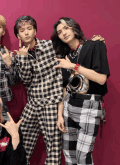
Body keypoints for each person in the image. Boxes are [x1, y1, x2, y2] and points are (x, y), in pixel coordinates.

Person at [51, 17, 110, 165]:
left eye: (66, 28)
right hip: (68, 107)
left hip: (89, 107)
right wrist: (60, 115)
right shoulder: (65, 57)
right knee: (69, 156)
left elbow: (101, 79)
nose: (63, 33)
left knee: (83, 157)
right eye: (59, 32)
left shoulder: (94, 45)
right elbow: (64, 89)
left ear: (73, 27)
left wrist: (73, 67)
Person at [14, 15, 64, 165]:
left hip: (51, 102)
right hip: (33, 103)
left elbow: (71, 47)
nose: (26, 33)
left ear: (35, 31)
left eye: (30, 29)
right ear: (18, 35)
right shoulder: (19, 55)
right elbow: (26, 81)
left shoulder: (51, 46)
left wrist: (92, 41)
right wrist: (22, 59)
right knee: (23, 143)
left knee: (54, 147)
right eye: (22, 30)